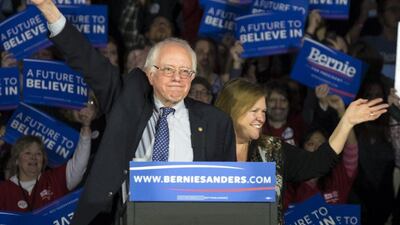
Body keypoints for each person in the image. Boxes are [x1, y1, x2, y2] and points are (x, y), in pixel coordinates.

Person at [32, 1, 236, 224]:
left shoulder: (216, 122)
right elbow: (86, 59)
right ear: (150, 74)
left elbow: (225, 193)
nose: (178, 78)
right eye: (168, 69)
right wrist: (48, 9)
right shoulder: (126, 100)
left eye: (185, 71)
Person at [214, 78, 388, 225]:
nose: (261, 118)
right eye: (255, 111)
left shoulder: (272, 148)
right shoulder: (206, 148)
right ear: (234, 110)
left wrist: (347, 121)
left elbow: (317, 163)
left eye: (263, 111)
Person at [0, 105, 94, 212]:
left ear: (43, 160)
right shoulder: (4, 190)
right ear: (17, 160)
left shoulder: (54, 180)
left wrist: (86, 127)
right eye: (27, 153)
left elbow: (79, 164)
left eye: (38, 154)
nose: (33, 158)